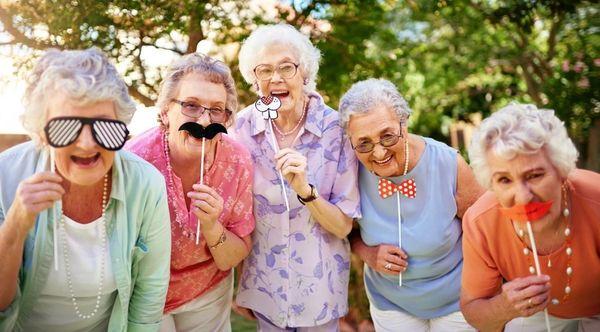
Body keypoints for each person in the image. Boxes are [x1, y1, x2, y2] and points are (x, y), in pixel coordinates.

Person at [0, 48, 171, 331]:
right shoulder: (5, 175)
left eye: (106, 127)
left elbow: (149, 295)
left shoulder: (146, 184)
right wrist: (15, 226)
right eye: (66, 127)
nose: (88, 144)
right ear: (41, 132)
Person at [233, 23, 361, 331]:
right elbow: (235, 214)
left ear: (304, 73)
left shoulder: (336, 130)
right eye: (263, 70)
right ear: (254, 80)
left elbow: (343, 226)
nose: (275, 78)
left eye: (286, 67)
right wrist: (241, 281)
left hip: (320, 293)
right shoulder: (241, 130)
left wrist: (306, 190)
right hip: (264, 288)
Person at [338, 78, 483, 331]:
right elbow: (344, 230)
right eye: (364, 143)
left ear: (404, 123)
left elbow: (485, 231)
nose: (379, 153)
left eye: (388, 136)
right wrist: (367, 253)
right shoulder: (348, 172)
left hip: (457, 300)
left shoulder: (449, 165)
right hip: (390, 302)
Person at [126, 53, 255, 332]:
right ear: (165, 112)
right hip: (149, 292)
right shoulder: (135, 162)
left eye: (217, 109)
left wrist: (211, 225)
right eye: (191, 106)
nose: (205, 120)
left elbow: (231, 258)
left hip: (208, 292)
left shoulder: (238, 161)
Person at [461, 103, 600, 331]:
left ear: (561, 170)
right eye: (504, 180)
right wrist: (504, 307)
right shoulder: (480, 222)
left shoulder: (596, 201)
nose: (523, 197)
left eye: (535, 175)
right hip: (540, 314)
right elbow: (475, 312)